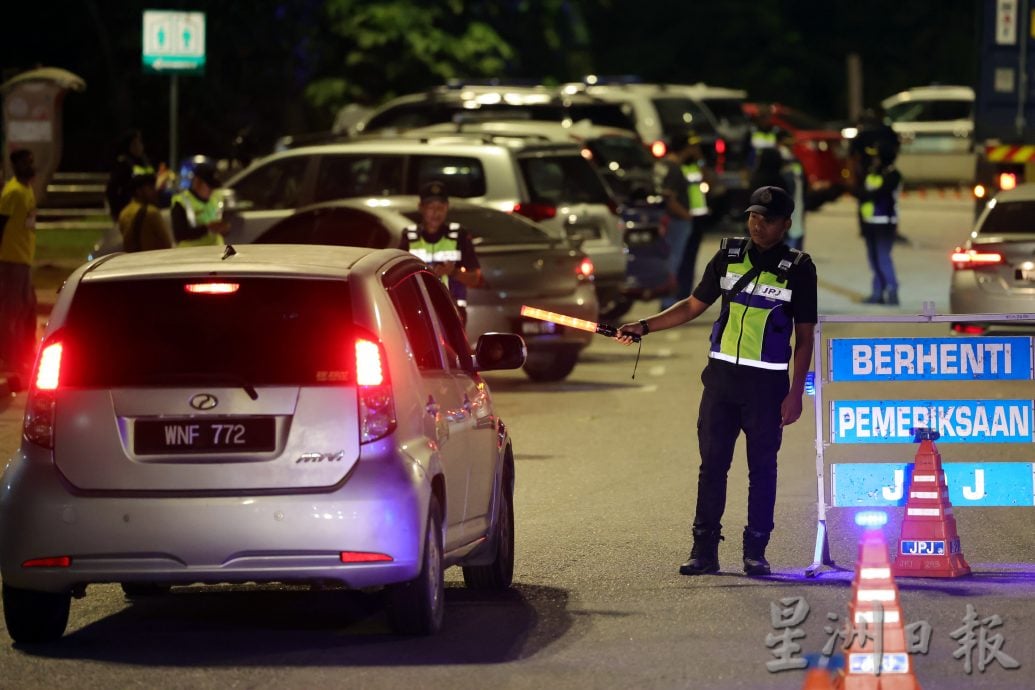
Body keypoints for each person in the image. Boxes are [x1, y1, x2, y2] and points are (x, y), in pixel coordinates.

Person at [615, 186, 817, 577]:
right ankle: (703, 550)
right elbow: (693, 305)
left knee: (762, 470)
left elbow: (804, 336)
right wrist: (644, 326)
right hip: (721, 382)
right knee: (712, 467)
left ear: (786, 224)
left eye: (769, 219)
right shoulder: (729, 256)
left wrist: (796, 393)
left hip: (766, 386)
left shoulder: (799, 268)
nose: (759, 225)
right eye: (754, 216)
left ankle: (755, 551)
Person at [399, 180, 483, 324]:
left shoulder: (458, 235)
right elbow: (399, 279)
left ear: (447, 207)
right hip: (418, 313)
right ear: (421, 208)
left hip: (453, 314)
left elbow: (475, 279)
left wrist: (453, 272)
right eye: (431, 207)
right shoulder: (410, 237)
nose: (436, 212)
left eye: (441, 207)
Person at [0, 149, 39, 381]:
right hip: (11, 260)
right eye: (26, 162)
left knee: (28, 309)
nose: (31, 166)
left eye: (31, 161)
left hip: (24, 259)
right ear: (16, 166)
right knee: (11, 312)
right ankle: (11, 359)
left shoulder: (27, 190)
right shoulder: (13, 192)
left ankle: (24, 357)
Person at [660, 131, 709, 309]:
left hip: (675, 219)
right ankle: (668, 301)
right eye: (691, 147)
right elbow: (669, 198)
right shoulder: (674, 168)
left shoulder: (666, 164)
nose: (694, 150)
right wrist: (686, 216)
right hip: (677, 220)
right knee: (674, 260)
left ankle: (671, 300)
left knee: (674, 260)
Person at [857, 142, 903, 305]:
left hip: (885, 222)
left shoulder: (893, 175)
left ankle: (892, 291)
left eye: (877, 157)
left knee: (883, 258)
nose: (874, 160)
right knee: (873, 259)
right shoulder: (871, 173)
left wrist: (866, 194)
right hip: (870, 222)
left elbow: (881, 194)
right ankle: (877, 293)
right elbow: (861, 195)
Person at [171, 162, 230, 247]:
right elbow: (179, 235)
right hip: (192, 255)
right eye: (210, 186)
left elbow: (223, 224)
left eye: (214, 186)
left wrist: (225, 229)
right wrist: (207, 228)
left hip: (217, 253)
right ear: (197, 182)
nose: (212, 190)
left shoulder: (217, 197)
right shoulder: (181, 202)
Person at [105, 129, 156, 222]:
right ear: (129, 146)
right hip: (129, 211)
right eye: (136, 143)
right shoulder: (123, 164)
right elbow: (112, 190)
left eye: (140, 143)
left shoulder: (145, 161)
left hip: (147, 209)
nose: (140, 146)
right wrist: (116, 213)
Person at [118, 173, 174, 252]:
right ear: (139, 191)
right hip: (153, 259)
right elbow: (166, 243)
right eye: (150, 188)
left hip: (132, 260)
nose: (154, 192)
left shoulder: (124, 213)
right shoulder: (151, 212)